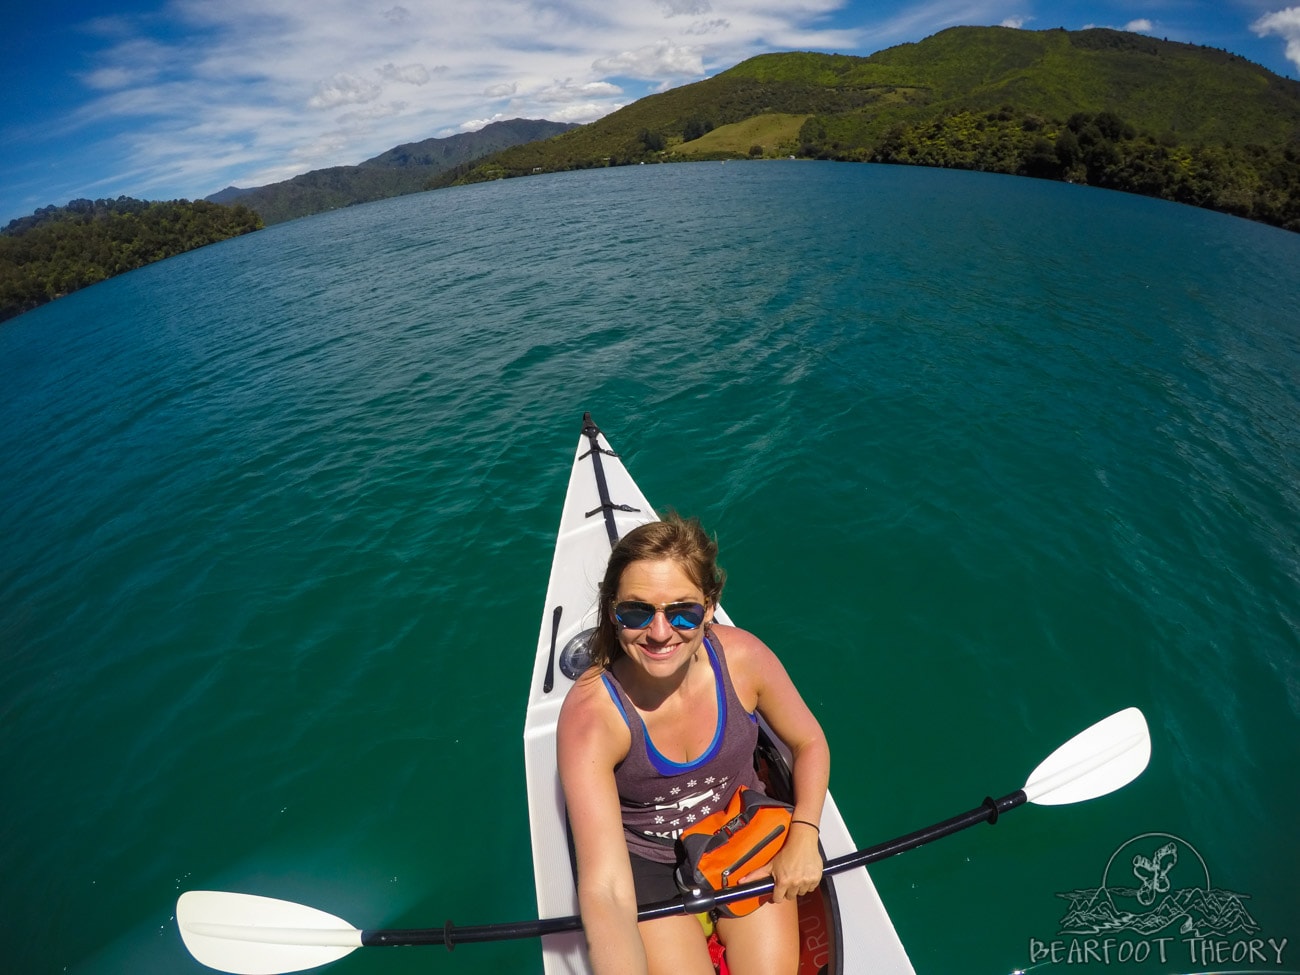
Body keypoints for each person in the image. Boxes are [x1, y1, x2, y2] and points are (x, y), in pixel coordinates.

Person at [556, 515, 830, 975]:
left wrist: (805, 832)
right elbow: (606, 890)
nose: (661, 633)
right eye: (636, 612)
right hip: (649, 862)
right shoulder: (591, 715)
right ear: (611, 611)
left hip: (741, 832)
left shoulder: (744, 660)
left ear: (710, 605)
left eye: (682, 611)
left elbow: (809, 741)